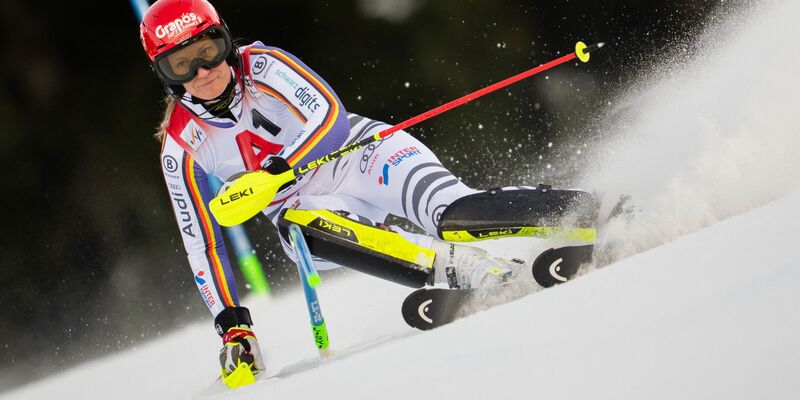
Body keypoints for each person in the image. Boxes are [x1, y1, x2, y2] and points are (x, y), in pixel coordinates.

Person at [139, 0, 596, 383]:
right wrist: (234, 328)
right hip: (306, 208)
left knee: (454, 214)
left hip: (361, 154)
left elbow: (330, 116)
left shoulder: (263, 65)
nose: (203, 71)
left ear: (225, 40)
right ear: (165, 74)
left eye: (209, 51)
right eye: (182, 64)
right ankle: (467, 270)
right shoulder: (180, 148)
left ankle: (588, 210)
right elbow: (203, 242)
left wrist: (280, 169)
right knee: (302, 231)